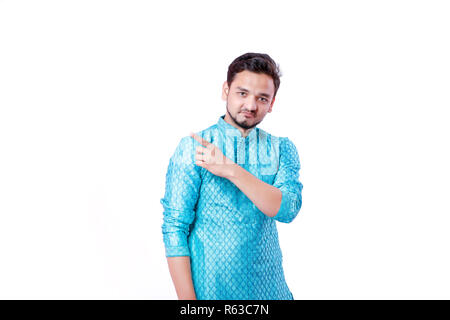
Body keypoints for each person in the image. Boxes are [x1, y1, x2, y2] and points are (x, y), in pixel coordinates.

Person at [160, 52, 303, 300]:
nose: (250, 105)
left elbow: (287, 209)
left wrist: (230, 170)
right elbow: (175, 228)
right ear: (226, 90)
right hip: (211, 294)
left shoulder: (281, 149)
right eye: (242, 93)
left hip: (271, 292)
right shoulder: (194, 148)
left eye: (262, 98)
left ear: (272, 103)